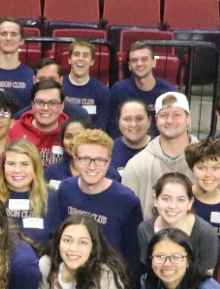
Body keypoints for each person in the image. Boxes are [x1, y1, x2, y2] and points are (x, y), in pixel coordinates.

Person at [55, 128, 145, 276]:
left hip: (110, 281)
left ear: (109, 162)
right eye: (85, 159)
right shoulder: (65, 189)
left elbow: (133, 257)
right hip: (71, 273)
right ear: (75, 160)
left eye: (100, 160)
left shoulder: (127, 201)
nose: (92, 167)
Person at [124, 91, 220, 208]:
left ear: (188, 119)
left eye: (176, 115)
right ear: (156, 120)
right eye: (164, 115)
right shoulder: (136, 165)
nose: (170, 121)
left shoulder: (213, 162)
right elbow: (127, 214)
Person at [137, 172, 220, 276]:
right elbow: (149, 274)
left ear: (190, 203)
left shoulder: (205, 232)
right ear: (155, 200)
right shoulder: (144, 229)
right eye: (166, 199)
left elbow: (206, 279)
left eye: (181, 200)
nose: (173, 206)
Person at [0, 138, 60, 249]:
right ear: (3, 166)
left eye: (24, 164)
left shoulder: (49, 196)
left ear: (35, 167)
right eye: (11, 164)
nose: (17, 170)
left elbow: (55, 241)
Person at [107, 41, 175, 137]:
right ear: (129, 66)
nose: (139, 64)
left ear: (154, 62)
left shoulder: (169, 92)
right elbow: (113, 127)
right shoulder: (118, 90)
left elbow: (172, 127)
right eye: (134, 60)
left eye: (144, 59)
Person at [187, 138, 220, 248]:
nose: (208, 175)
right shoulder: (181, 201)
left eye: (215, 168)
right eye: (201, 168)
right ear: (192, 169)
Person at [11, 79, 71, 170]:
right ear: (32, 104)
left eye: (52, 103)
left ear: (62, 106)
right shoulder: (13, 129)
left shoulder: (71, 133)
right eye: (40, 102)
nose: (45, 108)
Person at [0, 18, 35, 106]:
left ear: (21, 40)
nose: (8, 38)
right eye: (4, 34)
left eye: (13, 34)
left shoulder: (31, 75)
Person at [63, 39, 111, 126]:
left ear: (92, 61)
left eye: (85, 55)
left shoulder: (102, 91)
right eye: (76, 54)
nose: (80, 59)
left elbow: (100, 128)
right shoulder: (58, 86)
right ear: (69, 59)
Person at [42, 118, 91, 187]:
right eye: (68, 137)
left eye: (79, 137)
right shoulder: (52, 171)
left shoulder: (102, 171)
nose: (73, 142)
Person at [110, 98, 152, 175]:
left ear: (149, 120)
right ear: (118, 121)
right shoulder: (108, 151)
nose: (133, 124)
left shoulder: (161, 149)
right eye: (127, 119)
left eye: (139, 119)